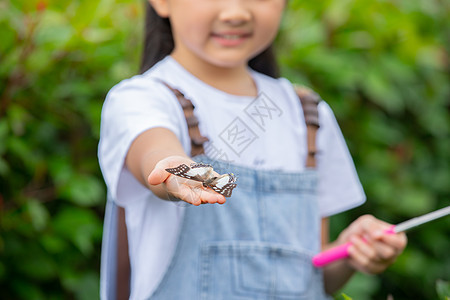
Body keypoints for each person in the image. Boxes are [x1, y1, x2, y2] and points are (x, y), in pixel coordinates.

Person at [98, 0, 407, 299]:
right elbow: (154, 151)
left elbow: (312, 273)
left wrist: (350, 252)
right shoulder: (141, 98)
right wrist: (178, 170)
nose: (236, 12)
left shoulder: (308, 113)